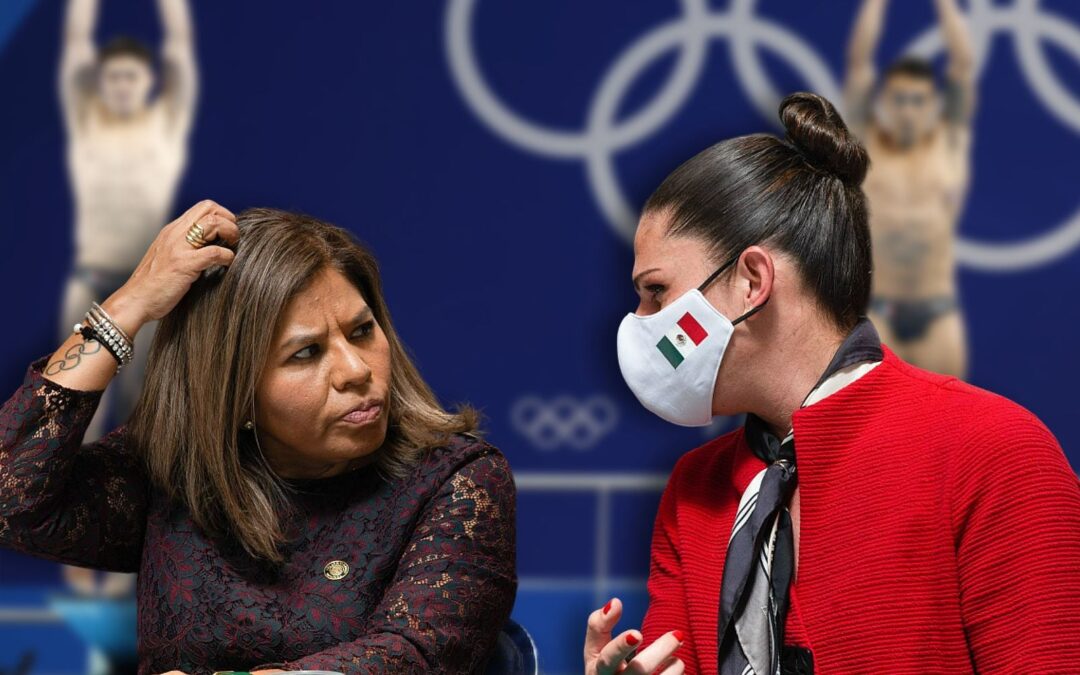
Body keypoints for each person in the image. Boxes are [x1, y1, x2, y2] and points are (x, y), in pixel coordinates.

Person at [582, 93, 1080, 675]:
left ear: (752, 281)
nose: (639, 322)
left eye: (656, 292)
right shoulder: (694, 489)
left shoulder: (991, 451)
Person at [0, 200, 517, 674]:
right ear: (235, 392)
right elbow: (11, 500)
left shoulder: (457, 480)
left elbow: (415, 656)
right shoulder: (173, 472)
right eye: (306, 353)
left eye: (361, 331)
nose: (356, 370)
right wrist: (128, 306)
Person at [57, 0, 199, 598]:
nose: (120, 85)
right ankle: (72, 555)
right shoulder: (87, 124)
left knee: (151, 424)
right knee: (73, 418)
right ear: (100, 83)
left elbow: (181, 50)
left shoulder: (165, 125)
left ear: (149, 83)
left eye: (131, 77)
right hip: (91, 287)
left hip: (154, 296)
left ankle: (138, 560)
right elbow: (75, 44)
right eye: (111, 76)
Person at [844, 0, 975, 378]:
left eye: (918, 101)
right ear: (884, 101)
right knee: (876, 415)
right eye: (899, 100)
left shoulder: (950, 142)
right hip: (880, 311)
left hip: (937, 311)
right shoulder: (865, 144)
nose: (907, 110)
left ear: (933, 104)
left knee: (949, 414)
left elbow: (963, 64)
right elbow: (858, 64)